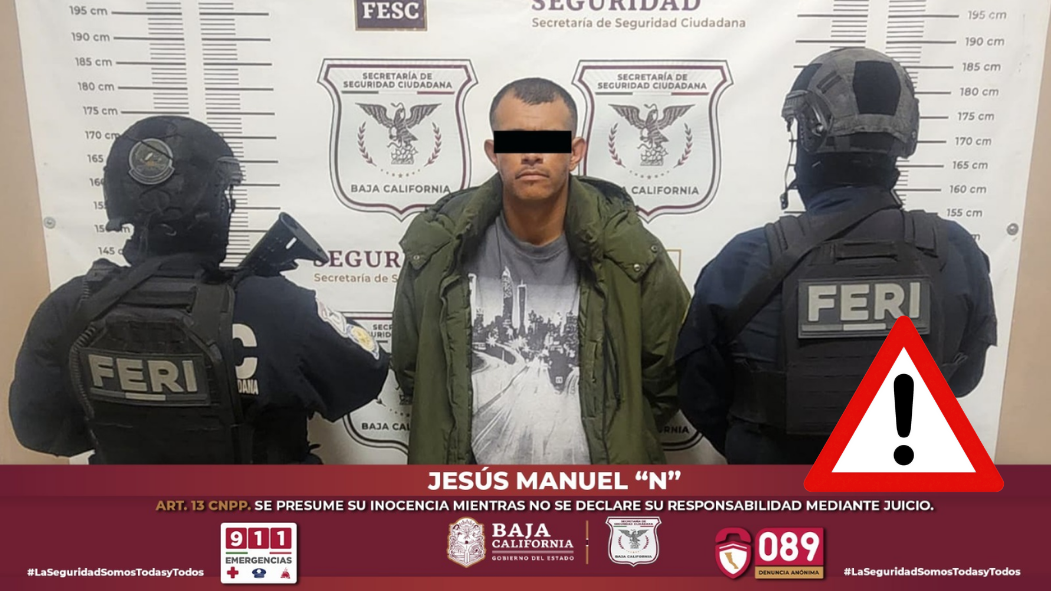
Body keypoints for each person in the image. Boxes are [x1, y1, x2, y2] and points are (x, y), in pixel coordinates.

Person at [675, 48, 997, 464]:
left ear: (808, 137)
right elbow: (964, 378)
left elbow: (697, 392)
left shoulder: (746, 260)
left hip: (776, 497)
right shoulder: (954, 250)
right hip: (904, 490)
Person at [9, 115, 389, 464]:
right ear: (214, 202)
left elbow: (40, 430)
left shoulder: (72, 307)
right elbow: (365, 372)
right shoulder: (275, 307)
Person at [392, 77, 690, 464]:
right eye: (515, 141)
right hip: (469, 489)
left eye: (549, 140)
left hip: (599, 491)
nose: (532, 155)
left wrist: (620, 430)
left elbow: (670, 376)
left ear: (574, 151)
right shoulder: (439, 247)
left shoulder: (628, 251)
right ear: (494, 152)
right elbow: (414, 371)